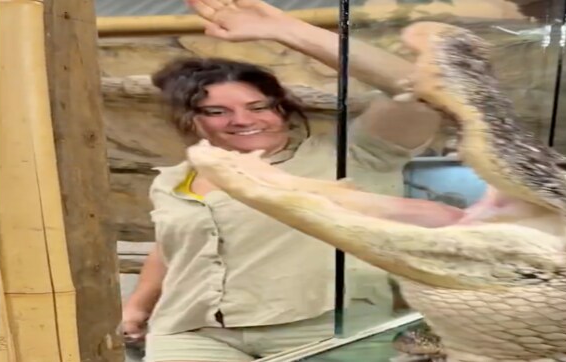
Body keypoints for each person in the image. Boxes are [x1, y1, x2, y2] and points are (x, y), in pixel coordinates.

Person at [121, 0, 446, 361]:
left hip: (324, 331)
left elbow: (422, 89)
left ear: (283, 109)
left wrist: (286, 30)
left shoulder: (355, 156)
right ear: (192, 120)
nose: (242, 120)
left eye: (258, 107)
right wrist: (137, 306)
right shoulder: (176, 179)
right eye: (216, 112)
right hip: (191, 332)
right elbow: (171, 247)